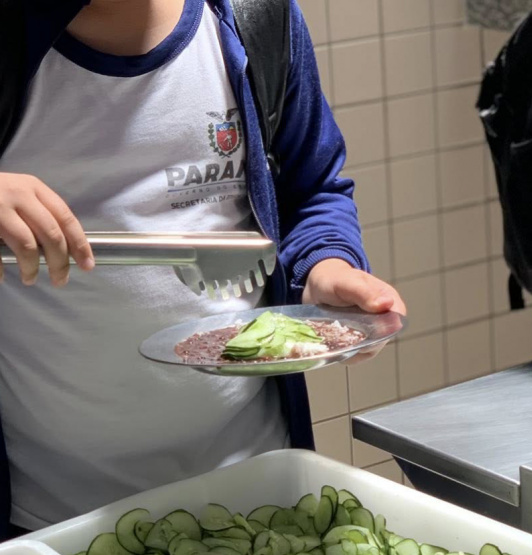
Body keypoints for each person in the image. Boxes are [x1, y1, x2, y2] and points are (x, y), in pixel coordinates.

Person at [0, 0, 404, 535]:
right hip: (55, 517)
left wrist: (326, 263)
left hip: (260, 499)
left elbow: (312, 188)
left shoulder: (257, 17)